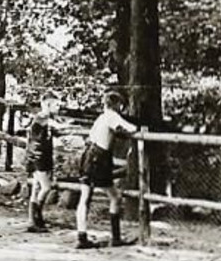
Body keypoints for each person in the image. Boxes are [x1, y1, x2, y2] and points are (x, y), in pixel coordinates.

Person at [75, 91, 139, 250]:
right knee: (114, 197)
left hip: (89, 157)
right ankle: (115, 237)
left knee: (86, 198)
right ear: (117, 105)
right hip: (99, 159)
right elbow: (131, 128)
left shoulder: (100, 118)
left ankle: (82, 236)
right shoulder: (112, 116)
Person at [24, 94, 60, 234]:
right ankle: (37, 216)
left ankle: (33, 221)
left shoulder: (46, 119)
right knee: (46, 187)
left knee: (36, 187)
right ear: (48, 105)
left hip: (40, 155)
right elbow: (55, 126)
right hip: (38, 156)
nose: (58, 107)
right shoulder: (42, 118)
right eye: (56, 105)